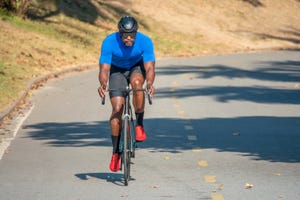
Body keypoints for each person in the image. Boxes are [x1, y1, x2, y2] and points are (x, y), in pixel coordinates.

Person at [97, 15, 156, 172]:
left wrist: (149, 83)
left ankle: (140, 125)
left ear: (136, 33)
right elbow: (104, 69)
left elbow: (149, 67)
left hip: (137, 67)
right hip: (117, 71)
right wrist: (103, 84)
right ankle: (116, 152)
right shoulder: (109, 42)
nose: (128, 38)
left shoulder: (145, 41)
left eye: (132, 35)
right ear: (120, 33)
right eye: (125, 35)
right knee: (117, 108)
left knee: (137, 84)